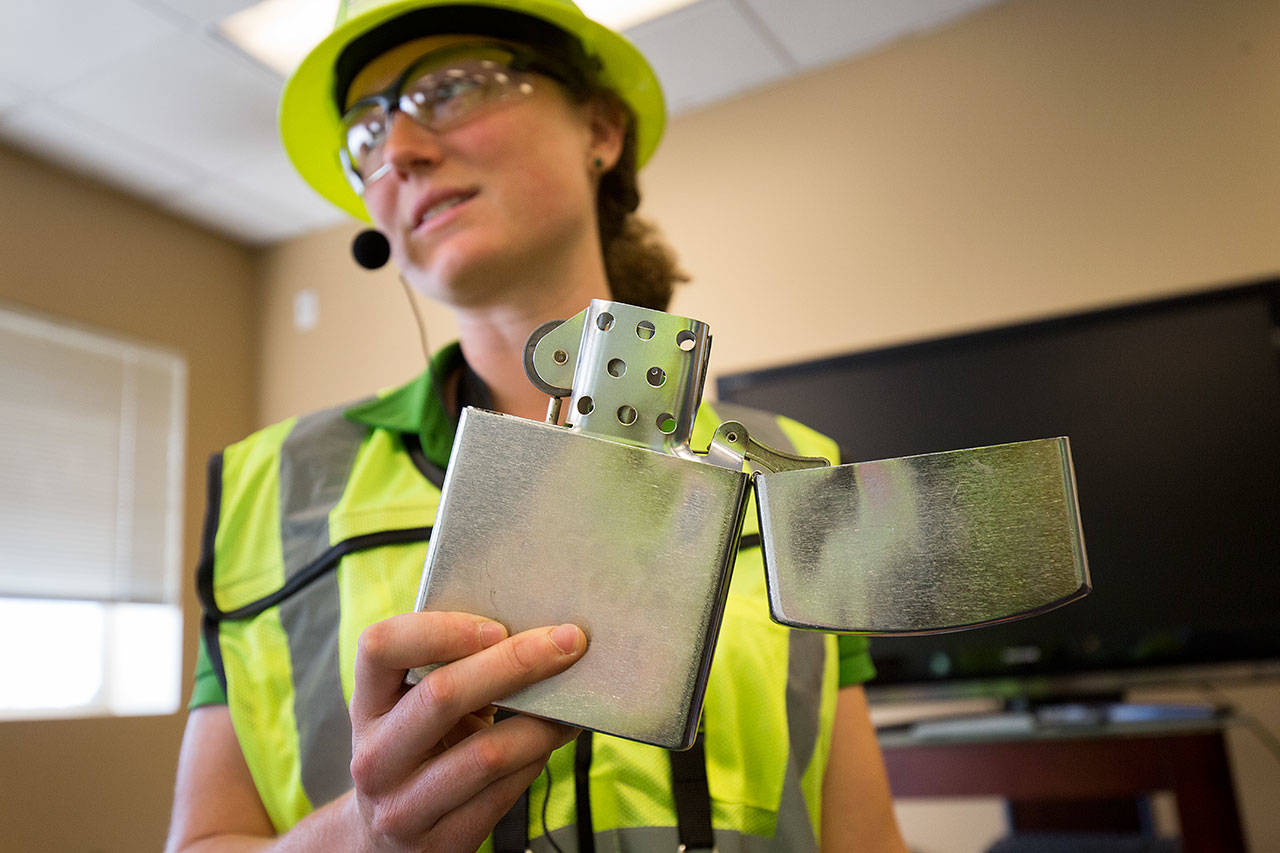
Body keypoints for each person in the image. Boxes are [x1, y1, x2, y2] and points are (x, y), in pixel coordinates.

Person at [166, 1, 908, 850]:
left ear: (599, 127)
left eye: (449, 87)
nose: (398, 150)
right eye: (366, 135)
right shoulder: (267, 490)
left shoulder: (802, 473)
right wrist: (361, 836)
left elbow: (865, 838)